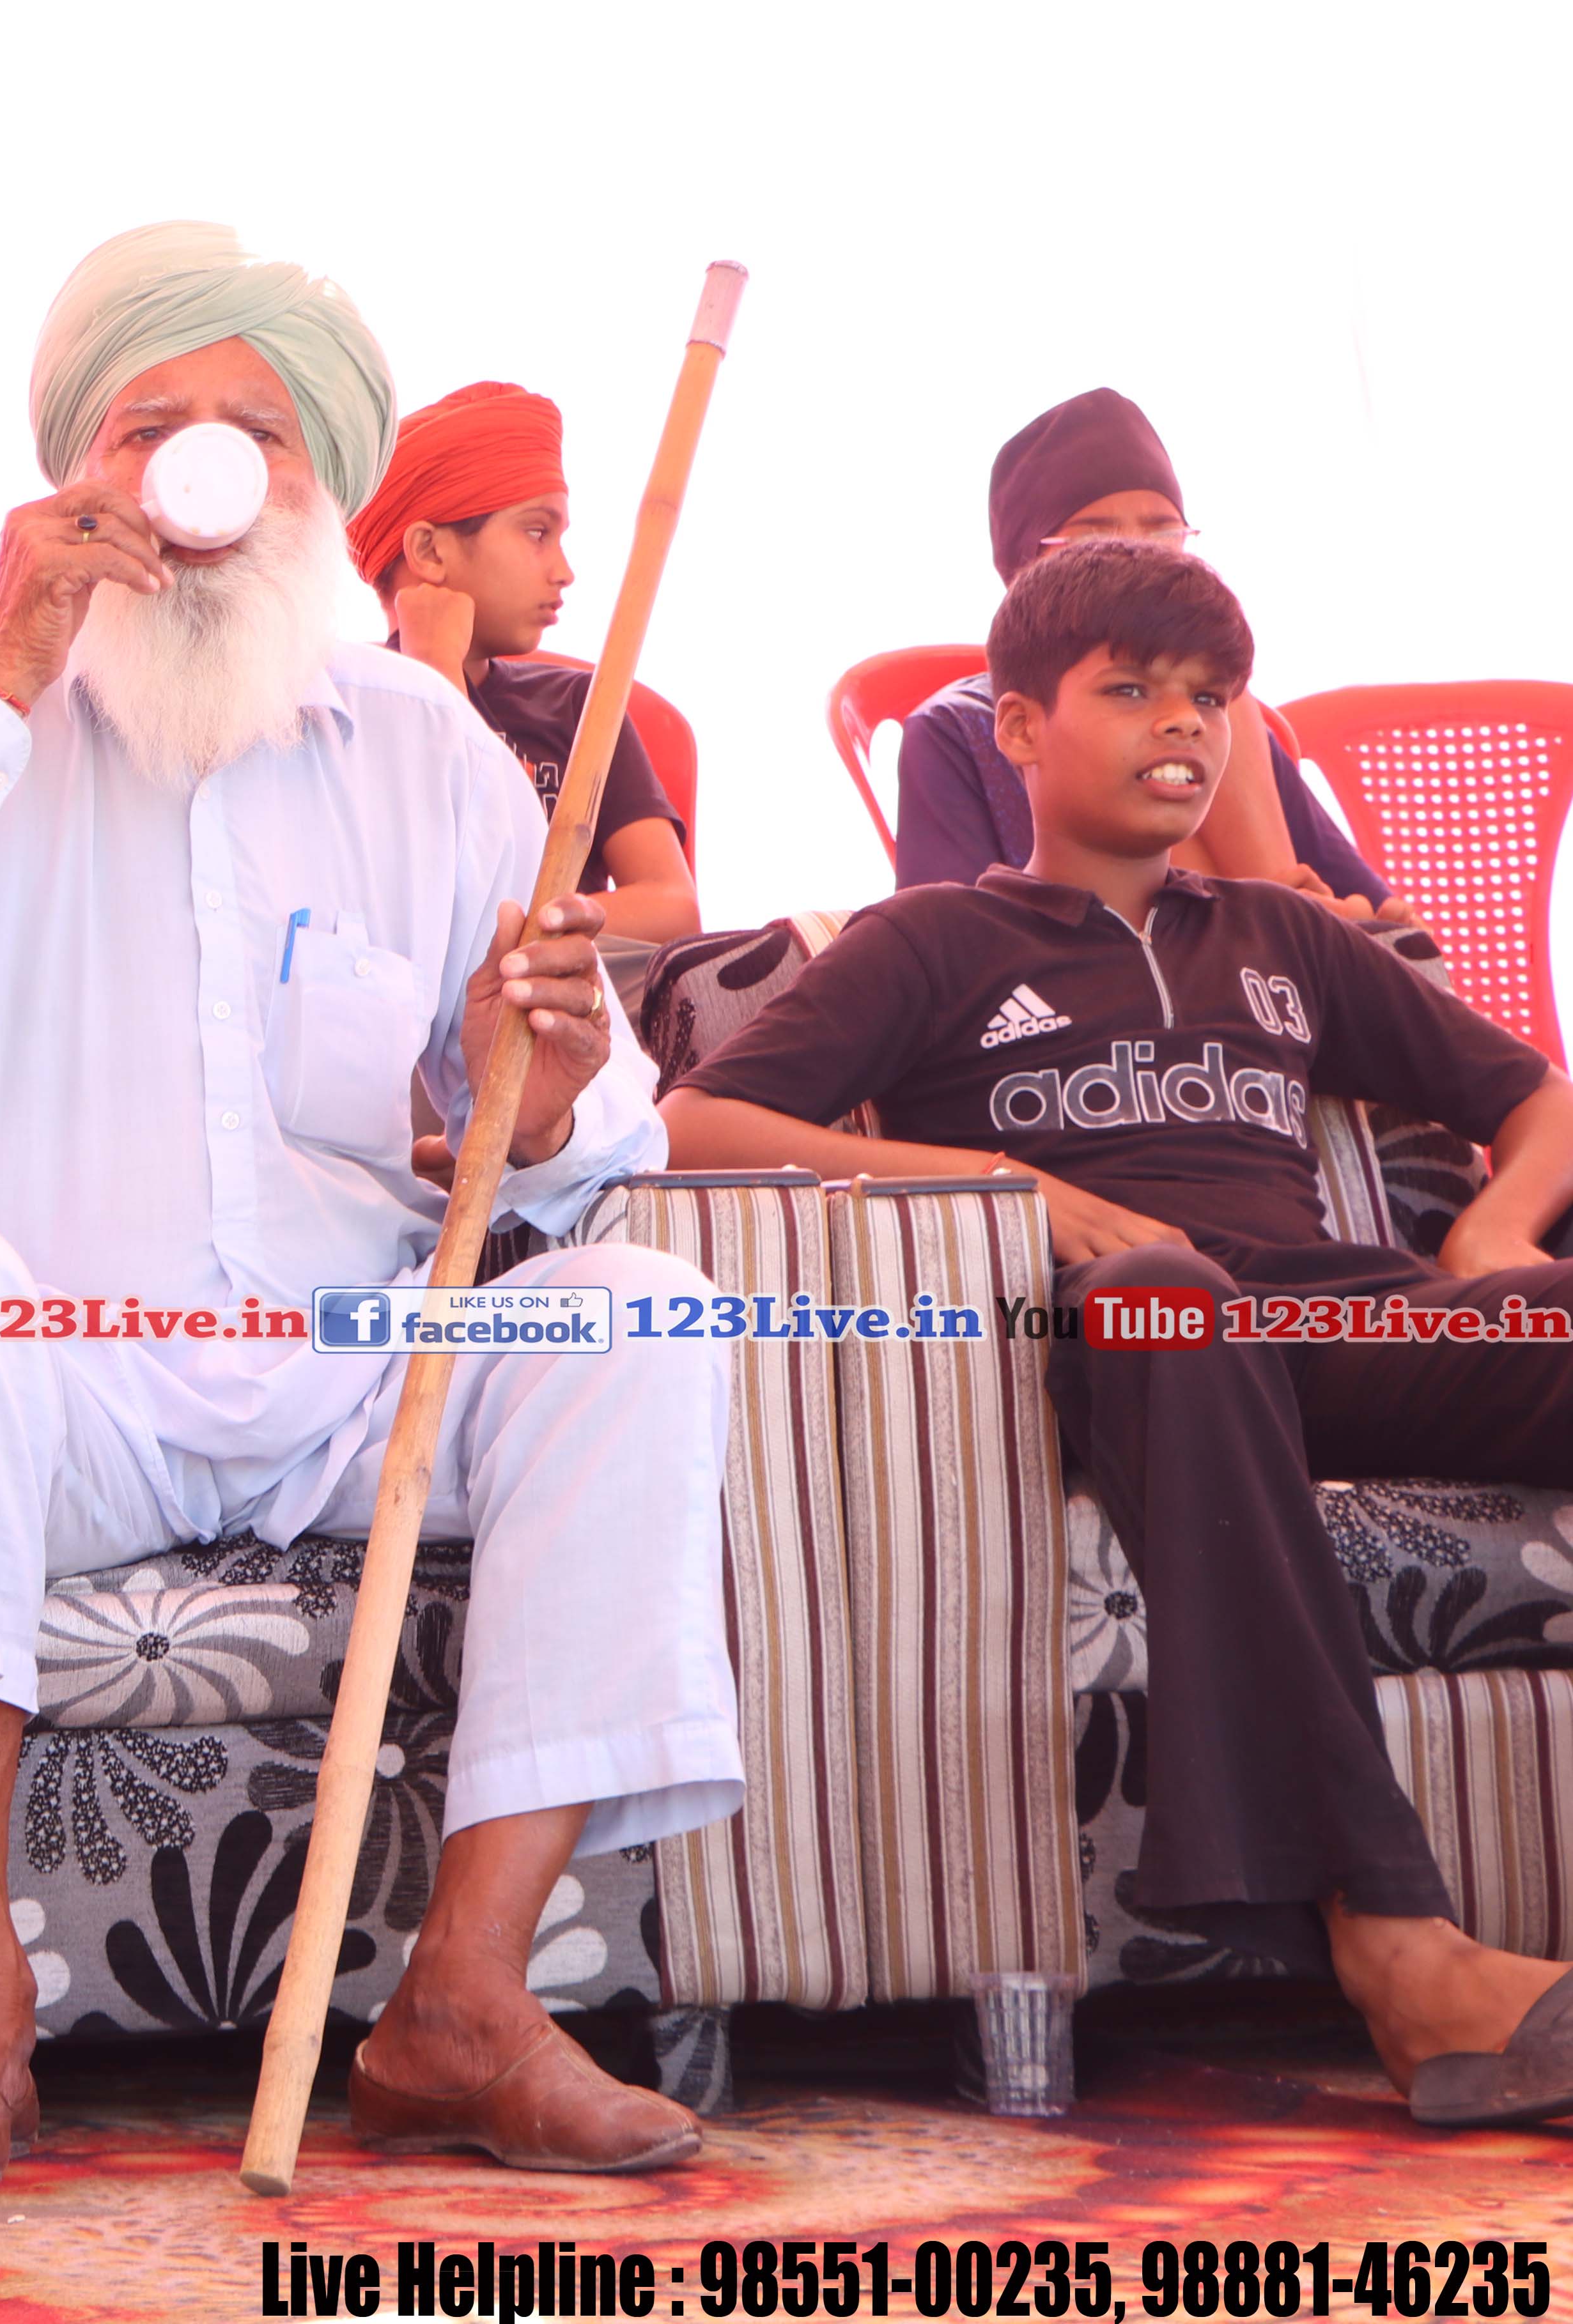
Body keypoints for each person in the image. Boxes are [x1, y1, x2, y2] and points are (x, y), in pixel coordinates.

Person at [0, 223, 741, 2185]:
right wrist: (5, 670)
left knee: (640, 1314)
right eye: (146, 426)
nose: (195, 467)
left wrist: (522, 1097)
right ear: (73, 472)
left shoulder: (424, 747)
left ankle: (465, 2002)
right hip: (53, 1396)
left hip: (348, 1384)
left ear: (317, 493)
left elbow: (592, 1131)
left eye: (254, 432)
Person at [665, 539, 1573, 2125]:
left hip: (1337, 1323)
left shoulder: (1285, 936)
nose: (1182, 725)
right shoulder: (936, 939)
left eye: (1211, 697)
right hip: (1126, 1340)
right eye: (1134, 688)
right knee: (1172, 1294)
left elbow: (1535, 1094)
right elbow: (694, 1126)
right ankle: (1402, 1952)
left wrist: (1495, 1235)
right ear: (1019, 726)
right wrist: (1003, 1178)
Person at [894, 388, 1403, 920]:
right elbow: (942, 940)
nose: (1138, 559)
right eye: (1094, 543)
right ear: (1022, 574)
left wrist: (1332, 921)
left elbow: (1376, 914)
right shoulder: (956, 731)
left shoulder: (1216, 719)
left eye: (1162, 535)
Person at [346, 381, 698, 951]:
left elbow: (672, 907)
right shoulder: (341, 710)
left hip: (580, 998)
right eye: (537, 532)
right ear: (430, 552)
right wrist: (436, 673)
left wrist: (518, 934)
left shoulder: (582, 707)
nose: (564, 571)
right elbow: (415, 914)